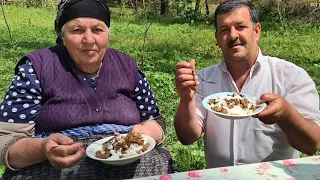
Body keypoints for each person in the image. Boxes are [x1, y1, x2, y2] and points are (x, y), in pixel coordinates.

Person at [0, 0, 173, 179]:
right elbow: (5, 141)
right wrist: (43, 149)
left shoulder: (128, 67)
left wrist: (147, 132)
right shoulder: (37, 68)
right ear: (63, 36)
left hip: (134, 167)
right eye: (77, 30)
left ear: (108, 34)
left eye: (98, 30)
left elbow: (155, 121)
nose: (89, 39)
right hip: (51, 171)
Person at [175, 0, 320, 169]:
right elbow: (187, 137)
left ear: (257, 31)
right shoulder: (203, 79)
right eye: (224, 30)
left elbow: (311, 145)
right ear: (217, 38)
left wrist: (286, 115)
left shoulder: (290, 77)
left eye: (240, 27)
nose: (233, 35)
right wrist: (187, 99)